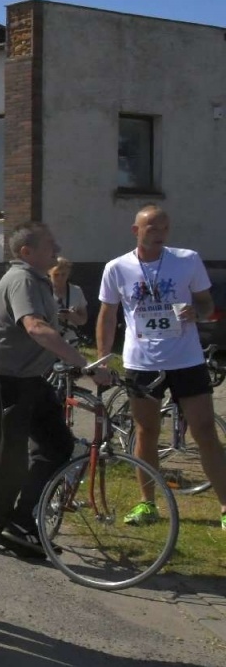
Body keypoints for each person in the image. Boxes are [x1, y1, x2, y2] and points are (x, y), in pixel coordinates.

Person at [0, 222, 110, 558]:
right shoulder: (21, 279)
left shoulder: (38, 280)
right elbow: (35, 327)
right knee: (10, 457)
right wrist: (85, 365)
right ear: (27, 252)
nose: (58, 249)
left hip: (30, 379)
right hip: (6, 380)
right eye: (50, 245)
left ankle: (22, 520)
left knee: (57, 445)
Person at [96, 205, 226, 528]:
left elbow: (207, 304)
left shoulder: (187, 260)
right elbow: (107, 316)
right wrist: (102, 359)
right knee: (147, 431)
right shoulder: (117, 268)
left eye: (164, 228)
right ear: (136, 230)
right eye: (152, 227)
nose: (159, 233)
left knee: (205, 430)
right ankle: (147, 503)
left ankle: (225, 506)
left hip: (186, 359)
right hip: (143, 362)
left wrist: (198, 312)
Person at [48, 256, 88, 344]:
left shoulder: (76, 291)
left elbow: (83, 320)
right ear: (49, 272)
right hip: (48, 343)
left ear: (68, 273)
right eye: (56, 275)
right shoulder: (43, 290)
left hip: (70, 342)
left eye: (63, 274)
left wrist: (73, 316)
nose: (60, 278)